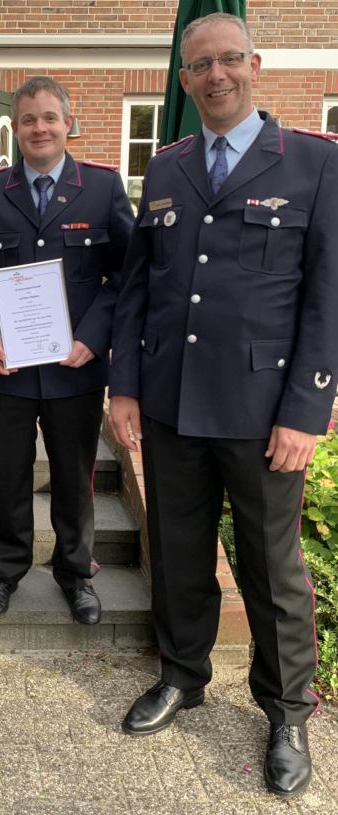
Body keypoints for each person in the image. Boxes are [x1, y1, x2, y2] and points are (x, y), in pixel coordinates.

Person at [109, 12, 338, 800]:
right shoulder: (167, 167)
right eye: (200, 66)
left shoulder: (312, 163)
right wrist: (125, 384)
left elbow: (325, 298)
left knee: (271, 568)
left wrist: (307, 411)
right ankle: (182, 674)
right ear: (183, 80)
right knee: (176, 550)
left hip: (260, 406)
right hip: (171, 400)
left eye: (228, 61)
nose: (216, 77)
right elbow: (141, 285)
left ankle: (285, 712)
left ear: (255, 64)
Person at [0, 76, 134, 623]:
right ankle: (4, 573)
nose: (40, 128)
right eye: (28, 119)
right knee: (7, 475)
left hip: (74, 368)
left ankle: (76, 573)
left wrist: (92, 338)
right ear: (15, 128)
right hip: (8, 369)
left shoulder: (102, 188)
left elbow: (125, 275)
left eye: (50, 117)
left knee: (75, 478)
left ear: (68, 123)